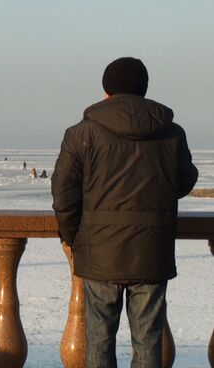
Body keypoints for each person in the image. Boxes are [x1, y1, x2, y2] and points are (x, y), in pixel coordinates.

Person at [51, 57, 198, 367]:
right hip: (151, 249)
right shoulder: (171, 132)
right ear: (144, 89)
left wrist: (70, 235)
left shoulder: (81, 133)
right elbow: (185, 180)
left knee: (99, 344)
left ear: (106, 91)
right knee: (148, 344)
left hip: (101, 253)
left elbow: (64, 192)